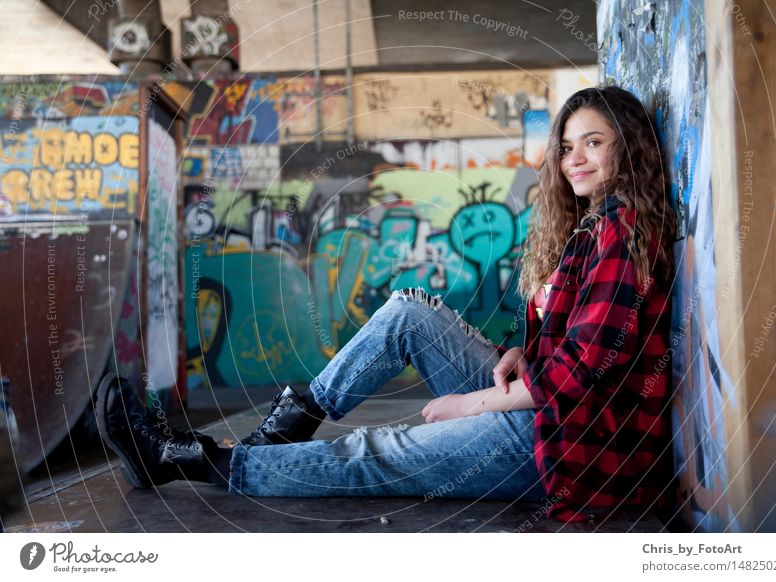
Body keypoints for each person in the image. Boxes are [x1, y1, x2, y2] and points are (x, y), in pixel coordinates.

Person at [96, 86, 676, 523]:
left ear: (629, 147)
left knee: (381, 452)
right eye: (568, 145)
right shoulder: (595, 225)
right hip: (551, 409)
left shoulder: (622, 234)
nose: (575, 158)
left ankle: (187, 461)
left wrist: (469, 404)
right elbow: (576, 344)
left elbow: (581, 372)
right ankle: (282, 432)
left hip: (570, 449)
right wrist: (525, 352)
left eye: (594, 143)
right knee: (408, 313)